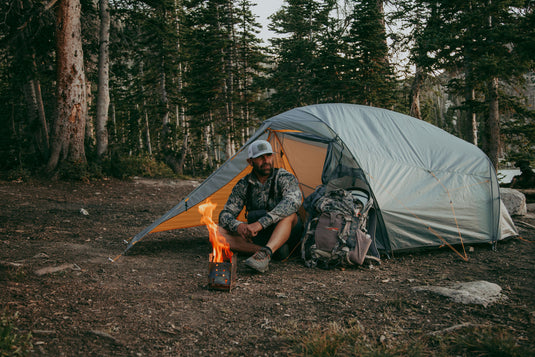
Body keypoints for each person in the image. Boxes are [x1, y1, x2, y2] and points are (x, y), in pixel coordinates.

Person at [218, 139, 303, 273]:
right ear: (250, 162)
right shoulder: (243, 185)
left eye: (268, 155)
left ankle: (267, 253)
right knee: (217, 233)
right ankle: (266, 252)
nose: (266, 160)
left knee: (289, 215)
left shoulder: (284, 177)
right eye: (260, 157)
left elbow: (293, 202)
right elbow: (225, 214)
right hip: (260, 235)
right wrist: (238, 226)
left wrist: (260, 223)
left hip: (288, 232)